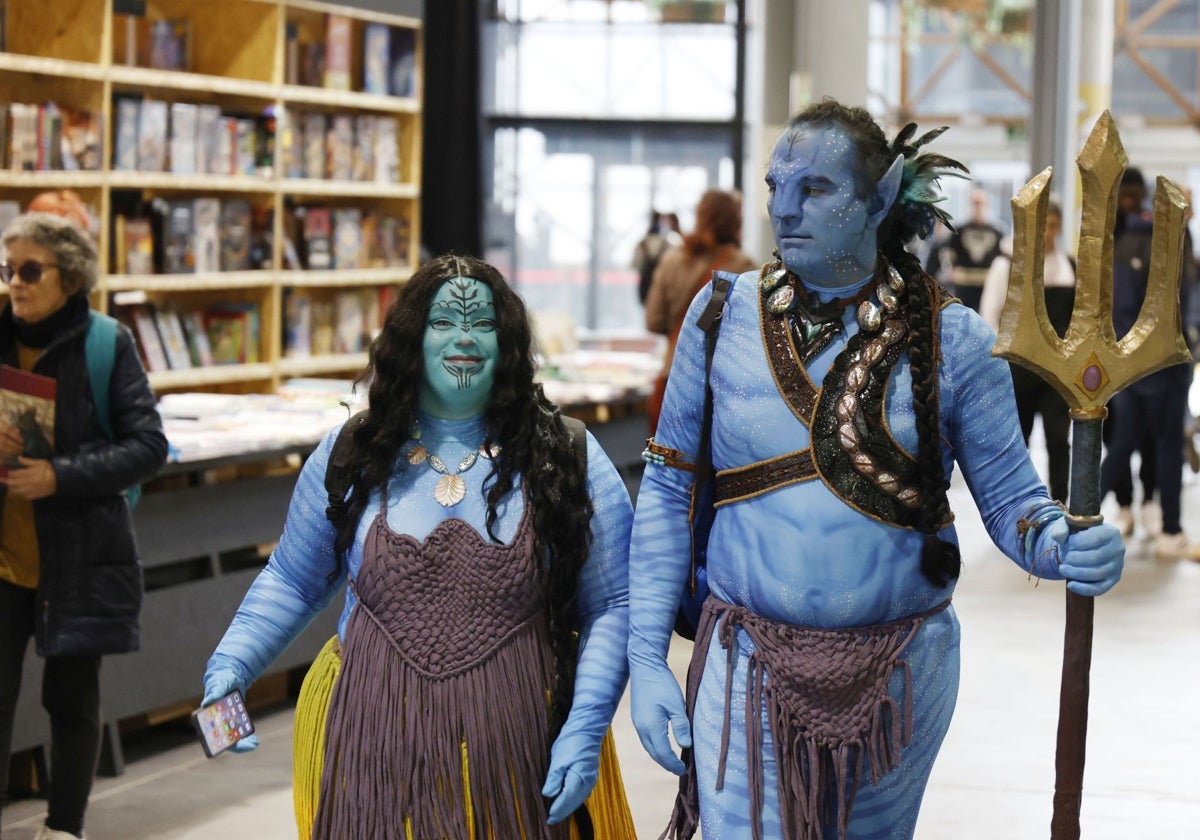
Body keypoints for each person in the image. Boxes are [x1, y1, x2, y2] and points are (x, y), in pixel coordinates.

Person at [627, 99, 1125, 840]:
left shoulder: (955, 341)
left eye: (816, 189)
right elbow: (666, 489)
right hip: (742, 667)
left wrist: (1066, 543)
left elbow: (1016, 503)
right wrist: (645, 656)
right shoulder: (719, 314)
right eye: (774, 187)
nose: (784, 210)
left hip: (901, 677)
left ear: (883, 194)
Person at [203, 254, 637, 839]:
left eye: (482, 324)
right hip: (368, 753)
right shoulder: (353, 452)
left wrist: (585, 727)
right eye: (443, 323)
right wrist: (231, 663)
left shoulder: (565, 453)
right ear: (411, 338)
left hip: (525, 761)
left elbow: (615, 603)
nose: (464, 338)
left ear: (507, 341)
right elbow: (291, 579)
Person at [0, 212, 168, 840]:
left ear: (68, 277)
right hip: (6, 557)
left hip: (77, 557)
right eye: (7, 269)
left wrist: (59, 474)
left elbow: (148, 446)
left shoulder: (106, 342)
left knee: (70, 702)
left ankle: (64, 828)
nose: (15, 283)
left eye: (30, 270)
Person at [1100, 167, 1199, 559]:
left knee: (1159, 445)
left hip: (1158, 360)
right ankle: (1092, 514)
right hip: (1134, 363)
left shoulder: (1161, 233)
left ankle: (1167, 527)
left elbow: (1185, 293)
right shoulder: (1118, 236)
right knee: (1127, 443)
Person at [979, 199, 1076, 502]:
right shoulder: (1006, 264)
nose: (1047, 231)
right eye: (1042, 224)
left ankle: (1061, 503)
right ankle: (1019, 504)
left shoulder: (1070, 267)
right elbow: (989, 315)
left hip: (1056, 372)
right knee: (1017, 440)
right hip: (1017, 370)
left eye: (1053, 224)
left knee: (1059, 440)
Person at [643, 190, 757, 434]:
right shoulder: (745, 269)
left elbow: (653, 321)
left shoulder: (672, 260)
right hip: (721, 387)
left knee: (669, 461)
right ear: (735, 221)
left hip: (672, 375)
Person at [925, 187, 1003, 312]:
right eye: (974, 203)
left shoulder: (997, 233)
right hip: (963, 286)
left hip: (989, 285)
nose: (978, 208)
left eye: (980, 203)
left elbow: (1001, 259)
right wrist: (950, 269)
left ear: (988, 205)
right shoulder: (958, 231)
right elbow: (947, 254)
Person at [634, 210, 682, 306]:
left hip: (645, 288)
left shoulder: (642, 243)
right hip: (665, 288)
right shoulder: (671, 242)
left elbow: (635, 265)